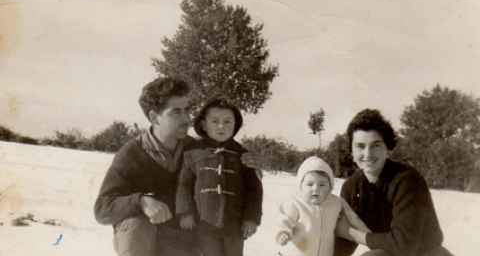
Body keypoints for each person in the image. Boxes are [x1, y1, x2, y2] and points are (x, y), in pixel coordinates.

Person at [93, 78, 262, 256]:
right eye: (176, 112)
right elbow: (102, 208)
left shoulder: (199, 151)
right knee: (136, 226)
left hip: (180, 240)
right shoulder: (132, 154)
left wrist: (250, 165)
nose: (186, 118)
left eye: (186, 110)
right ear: (153, 117)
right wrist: (141, 201)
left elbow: (231, 179)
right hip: (142, 239)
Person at [334, 109, 453, 256]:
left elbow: (403, 245)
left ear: (388, 149)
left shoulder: (407, 180)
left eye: (376, 145)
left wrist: (352, 234)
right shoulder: (351, 187)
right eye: (360, 146)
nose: (368, 153)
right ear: (351, 153)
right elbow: (343, 244)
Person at [175, 94, 263, 256]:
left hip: (234, 226)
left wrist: (251, 218)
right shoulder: (192, 153)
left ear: (235, 124)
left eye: (227, 122)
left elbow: (254, 190)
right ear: (204, 124)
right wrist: (185, 212)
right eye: (215, 121)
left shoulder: (242, 154)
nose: (221, 127)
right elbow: (184, 185)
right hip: (204, 223)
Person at [276, 156, 370, 256]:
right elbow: (284, 220)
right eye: (309, 184)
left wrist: (370, 236)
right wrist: (282, 233)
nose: (315, 189)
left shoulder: (335, 203)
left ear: (330, 187)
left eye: (322, 185)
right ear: (301, 186)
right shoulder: (295, 203)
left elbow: (352, 218)